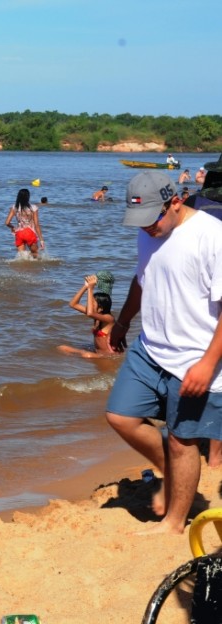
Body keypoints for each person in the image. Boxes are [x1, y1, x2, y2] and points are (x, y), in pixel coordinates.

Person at [105, 171, 222, 534]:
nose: (146, 228)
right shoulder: (149, 232)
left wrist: (208, 364)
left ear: (176, 202)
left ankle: (173, 524)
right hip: (150, 349)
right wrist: (123, 322)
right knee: (120, 416)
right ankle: (173, 474)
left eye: (151, 219)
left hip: (196, 357)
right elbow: (143, 279)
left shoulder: (212, 236)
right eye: (139, 220)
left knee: (182, 440)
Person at [57, 271, 117, 358]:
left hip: (106, 356)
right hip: (96, 352)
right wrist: (85, 286)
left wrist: (91, 289)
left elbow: (89, 313)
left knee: (87, 355)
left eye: (92, 304)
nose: (89, 306)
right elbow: (73, 304)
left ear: (100, 308)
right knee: (62, 347)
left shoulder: (109, 318)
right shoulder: (96, 314)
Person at [4, 188, 44, 259]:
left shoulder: (14, 207)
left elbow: (7, 222)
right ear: (28, 197)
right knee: (35, 255)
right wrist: (41, 240)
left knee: (22, 257)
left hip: (19, 233)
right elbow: (36, 225)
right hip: (30, 233)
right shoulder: (33, 208)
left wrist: (12, 227)